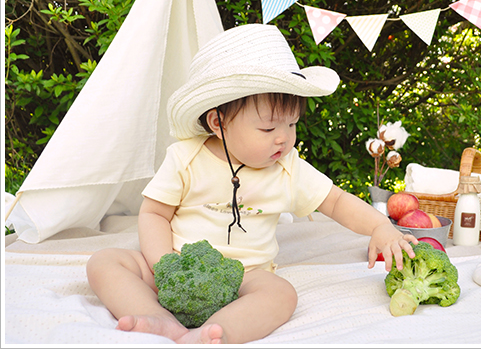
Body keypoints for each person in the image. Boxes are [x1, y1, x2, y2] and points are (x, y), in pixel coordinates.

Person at [86, 24, 418, 344]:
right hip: (176, 264)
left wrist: (379, 226)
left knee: (281, 294)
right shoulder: (185, 158)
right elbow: (154, 214)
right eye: (268, 128)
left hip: (245, 276)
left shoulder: (288, 168)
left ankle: (217, 331)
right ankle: (155, 316)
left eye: (292, 124)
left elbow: (335, 201)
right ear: (219, 123)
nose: (284, 138)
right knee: (105, 262)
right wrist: (163, 267)